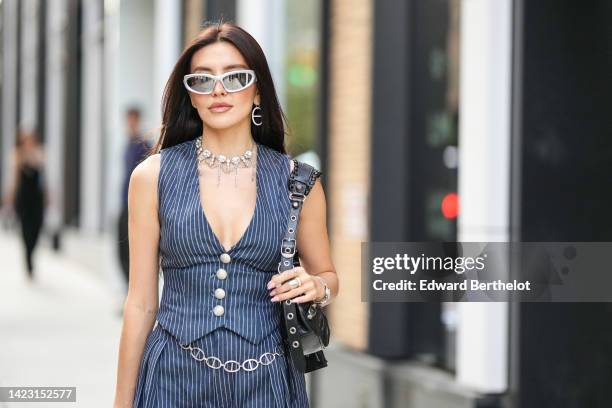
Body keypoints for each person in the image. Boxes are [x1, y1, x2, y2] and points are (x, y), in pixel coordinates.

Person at [113, 21, 339, 408]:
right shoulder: (151, 177)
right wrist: (121, 402)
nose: (219, 89)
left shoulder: (300, 184)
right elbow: (140, 303)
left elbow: (329, 277)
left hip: (267, 383)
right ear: (192, 97)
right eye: (202, 80)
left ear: (257, 92)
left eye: (235, 77)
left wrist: (319, 287)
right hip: (171, 380)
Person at [3, 130, 48, 282]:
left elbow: (43, 178)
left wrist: (48, 195)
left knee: (37, 227)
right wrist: (10, 196)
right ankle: (28, 262)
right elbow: (14, 178)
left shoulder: (39, 153)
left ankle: (31, 253)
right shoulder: (17, 155)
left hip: (36, 198)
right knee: (25, 230)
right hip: (23, 198)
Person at [118, 107, 152, 286]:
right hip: (125, 201)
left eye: (132, 119)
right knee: (122, 250)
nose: (130, 123)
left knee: (134, 251)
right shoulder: (128, 143)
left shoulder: (143, 144)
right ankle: (128, 291)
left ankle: (134, 291)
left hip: (138, 205)